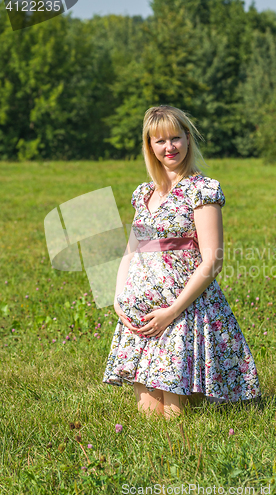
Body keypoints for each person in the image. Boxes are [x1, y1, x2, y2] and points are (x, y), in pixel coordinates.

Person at [103, 105, 261, 419]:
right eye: (160, 141)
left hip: (182, 311)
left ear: (188, 139)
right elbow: (131, 250)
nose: (169, 147)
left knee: (176, 417)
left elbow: (213, 260)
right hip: (143, 314)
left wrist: (172, 311)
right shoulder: (144, 194)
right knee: (149, 417)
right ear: (150, 146)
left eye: (176, 138)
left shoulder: (202, 190)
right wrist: (119, 300)